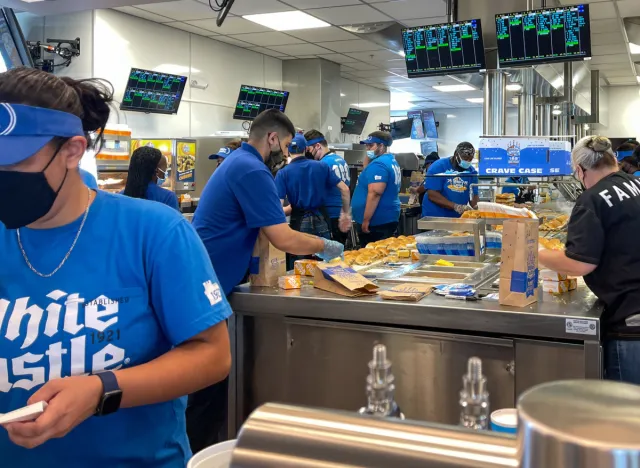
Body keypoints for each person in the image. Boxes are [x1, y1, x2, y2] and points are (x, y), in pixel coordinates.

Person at [0, 67, 232, 467]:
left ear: (72, 151)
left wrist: (100, 390)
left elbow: (211, 355)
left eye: (11, 162)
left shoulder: (154, 232)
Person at [190, 109, 343, 451]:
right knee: (206, 390)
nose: (287, 154)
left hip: (211, 280)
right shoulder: (251, 169)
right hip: (204, 287)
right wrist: (327, 245)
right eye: (286, 145)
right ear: (272, 138)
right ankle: (195, 455)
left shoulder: (238, 163)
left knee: (209, 391)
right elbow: (283, 238)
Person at [539, 136, 640, 385]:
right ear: (613, 159)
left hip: (630, 322)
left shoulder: (592, 200)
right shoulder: (632, 184)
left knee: (624, 414)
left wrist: (533, 253)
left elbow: (580, 263)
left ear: (580, 170)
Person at [276, 134, 351, 268]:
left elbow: (277, 207)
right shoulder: (321, 167)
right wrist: (345, 213)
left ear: (287, 150)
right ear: (306, 149)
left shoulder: (283, 173)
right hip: (322, 219)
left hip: (299, 223)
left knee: (299, 267)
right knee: (328, 262)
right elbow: (345, 189)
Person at [352, 131, 401, 245]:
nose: (368, 149)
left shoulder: (379, 165)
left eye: (371, 145)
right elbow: (368, 173)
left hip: (376, 222)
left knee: (372, 257)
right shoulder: (390, 161)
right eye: (367, 146)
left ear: (382, 146)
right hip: (386, 218)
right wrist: (368, 158)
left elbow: (375, 193)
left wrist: (366, 220)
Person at [304, 129, 352, 244]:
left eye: (309, 149)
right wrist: (345, 213)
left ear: (317, 146)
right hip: (340, 215)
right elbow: (346, 189)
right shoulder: (341, 161)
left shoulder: (322, 165)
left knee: (328, 258)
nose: (307, 153)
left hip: (328, 217)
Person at [421, 142, 479, 218]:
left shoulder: (471, 171)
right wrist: (455, 206)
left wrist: (477, 209)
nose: (467, 162)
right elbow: (432, 195)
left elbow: (473, 196)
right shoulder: (438, 167)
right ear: (456, 154)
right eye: (465, 159)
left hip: (456, 219)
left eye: (470, 160)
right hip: (435, 217)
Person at [122, 146, 180, 211]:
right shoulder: (168, 198)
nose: (165, 173)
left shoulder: (120, 197)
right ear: (157, 171)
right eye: (165, 170)